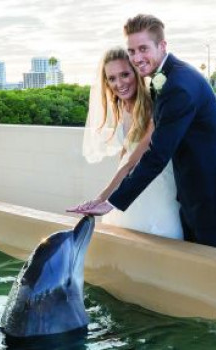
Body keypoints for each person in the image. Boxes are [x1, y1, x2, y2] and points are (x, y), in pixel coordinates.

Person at [71, 14, 216, 251]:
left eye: (143, 48)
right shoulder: (166, 77)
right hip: (192, 193)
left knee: (211, 270)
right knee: (193, 264)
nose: (136, 57)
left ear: (162, 45)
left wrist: (112, 201)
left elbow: (157, 153)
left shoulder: (178, 86)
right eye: (132, 51)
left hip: (212, 195)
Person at [67, 47, 183, 240]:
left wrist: (102, 198)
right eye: (112, 78)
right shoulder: (122, 104)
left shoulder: (152, 106)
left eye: (125, 74)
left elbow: (133, 161)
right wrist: (108, 194)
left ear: (136, 73)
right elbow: (125, 155)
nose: (119, 83)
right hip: (127, 182)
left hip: (152, 182)